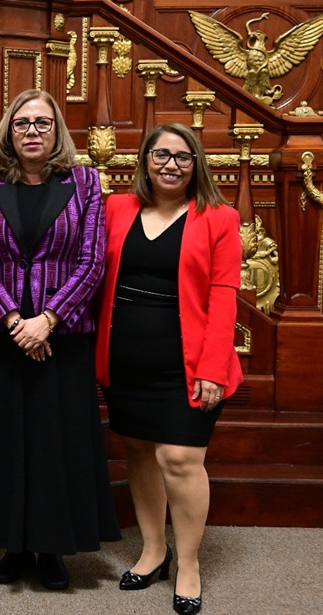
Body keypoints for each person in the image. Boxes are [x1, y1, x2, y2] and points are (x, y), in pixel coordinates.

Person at [0, 88, 120, 591]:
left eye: (42, 123)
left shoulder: (84, 183)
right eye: (22, 124)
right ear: (9, 132)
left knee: (58, 443)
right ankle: (12, 546)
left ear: (57, 132)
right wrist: (16, 322)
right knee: (9, 442)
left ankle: (52, 549)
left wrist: (47, 320)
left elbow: (92, 260)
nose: (32, 132)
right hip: (5, 334)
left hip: (65, 334)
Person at [96, 123, 242, 615]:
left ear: (196, 163)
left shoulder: (219, 217)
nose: (171, 164)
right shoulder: (116, 207)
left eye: (183, 156)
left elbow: (223, 296)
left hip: (188, 364)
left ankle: (189, 563)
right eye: (161, 154)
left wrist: (214, 368)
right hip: (124, 360)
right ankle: (154, 550)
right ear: (145, 160)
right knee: (138, 452)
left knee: (180, 458)